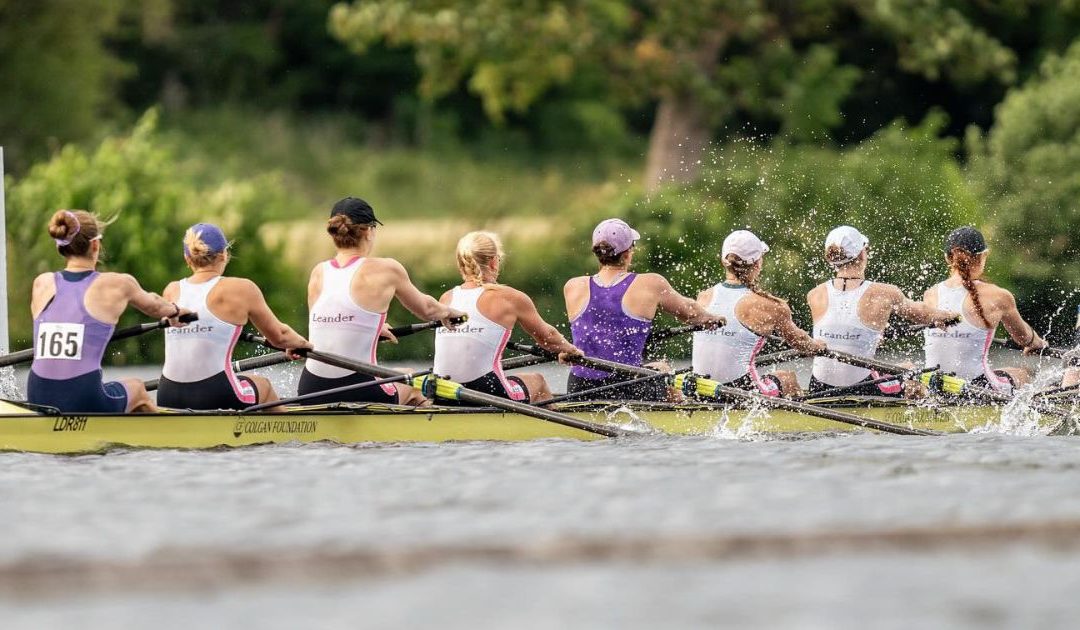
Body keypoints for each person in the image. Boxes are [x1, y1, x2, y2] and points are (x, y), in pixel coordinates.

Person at [297, 197, 465, 406]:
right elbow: (428, 310)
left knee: (401, 374)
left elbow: (327, 327)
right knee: (411, 379)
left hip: (310, 389)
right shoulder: (387, 269)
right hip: (359, 387)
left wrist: (370, 327)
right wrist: (449, 312)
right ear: (368, 230)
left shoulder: (318, 272)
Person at [28, 210, 192, 413]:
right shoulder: (117, 283)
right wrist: (175, 311)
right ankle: (157, 441)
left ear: (61, 246)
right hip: (82, 397)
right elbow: (156, 306)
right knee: (138, 388)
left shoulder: (41, 283)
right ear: (96, 244)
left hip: (36, 393)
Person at [564, 218, 725, 401]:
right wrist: (712, 318)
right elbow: (691, 313)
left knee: (650, 367)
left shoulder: (573, 287)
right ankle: (680, 420)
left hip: (580, 389)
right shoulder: (651, 283)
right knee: (663, 368)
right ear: (627, 253)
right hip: (627, 387)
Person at [157, 224, 311, 410]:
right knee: (264, 385)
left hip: (167, 394)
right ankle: (291, 435)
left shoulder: (171, 290)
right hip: (215, 394)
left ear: (186, 258)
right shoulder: (241, 288)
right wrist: (302, 344)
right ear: (224, 254)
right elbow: (279, 336)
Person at [806, 226, 959, 397]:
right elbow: (921, 313)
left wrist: (868, 336)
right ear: (862, 254)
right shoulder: (885, 293)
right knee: (911, 371)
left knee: (883, 367)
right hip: (862, 388)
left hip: (818, 388)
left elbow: (843, 326)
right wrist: (949, 316)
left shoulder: (814, 294)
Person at [434, 231, 581, 404]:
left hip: (441, 391)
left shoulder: (446, 298)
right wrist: (571, 350)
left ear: (460, 264)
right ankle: (543, 431)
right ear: (494, 262)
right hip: (486, 390)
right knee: (538, 381)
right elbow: (547, 338)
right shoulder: (509, 297)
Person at [692, 230, 823, 397]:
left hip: (701, 390)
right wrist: (819, 346)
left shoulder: (703, 297)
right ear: (758, 263)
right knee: (786, 378)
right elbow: (803, 344)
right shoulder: (771, 306)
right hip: (741, 393)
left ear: (723, 261)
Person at [923, 226, 1046, 393]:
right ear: (983, 256)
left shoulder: (930, 294)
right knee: (1021, 374)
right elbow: (1023, 338)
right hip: (975, 390)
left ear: (947, 258)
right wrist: (1038, 343)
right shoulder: (998, 296)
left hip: (934, 387)